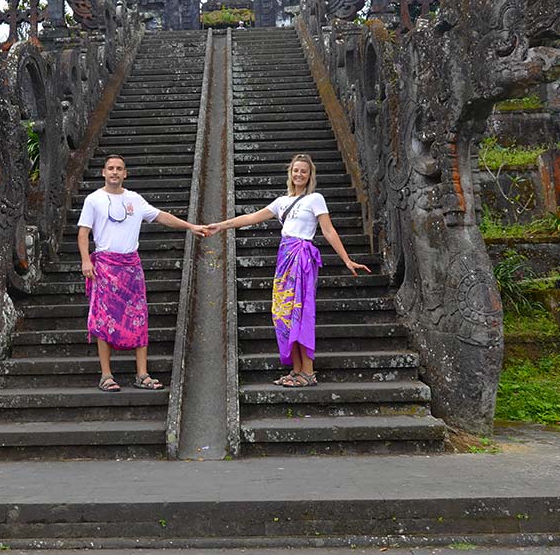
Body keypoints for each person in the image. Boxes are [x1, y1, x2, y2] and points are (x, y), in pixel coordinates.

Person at [208, 153, 369, 387]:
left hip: (302, 258)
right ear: (290, 173)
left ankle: (308, 372)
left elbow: (329, 230)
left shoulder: (315, 199)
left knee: (300, 311)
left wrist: (346, 259)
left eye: (304, 171)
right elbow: (251, 218)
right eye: (296, 170)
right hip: (284, 258)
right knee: (282, 313)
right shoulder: (281, 202)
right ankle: (296, 369)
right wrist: (220, 226)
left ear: (310, 174)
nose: (299, 174)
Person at [78, 153, 208, 392]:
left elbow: (161, 217)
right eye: (110, 168)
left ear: (125, 173)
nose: (115, 172)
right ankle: (106, 375)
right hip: (105, 266)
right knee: (104, 321)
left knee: (139, 317)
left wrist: (190, 227)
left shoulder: (135, 199)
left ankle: (142, 374)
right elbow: (83, 233)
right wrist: (87, 261)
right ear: (103, 173)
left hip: (131, 267)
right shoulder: (93, 200)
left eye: (119, 168)